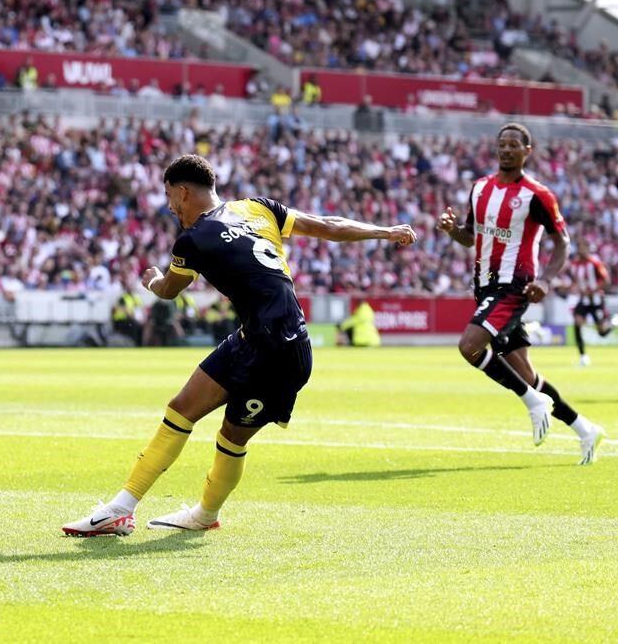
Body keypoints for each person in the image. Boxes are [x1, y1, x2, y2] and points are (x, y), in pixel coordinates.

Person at [63, 154, 416, 536]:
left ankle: (203, 514)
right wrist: (383, 231)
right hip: (253, 338)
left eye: (169, 196)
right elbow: (327, 225)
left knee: (231, 436)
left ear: (183, 193)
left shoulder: (192, 240)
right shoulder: (257, 208)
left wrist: (150, 280)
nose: (168, 206)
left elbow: (169, 290)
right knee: (181, 409)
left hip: (280, 351)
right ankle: (121, 509)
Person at [437, 123, 604, 464]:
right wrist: (453, 230)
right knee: (526, 373)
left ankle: (532, 400)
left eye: (514, 144)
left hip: (514, 286)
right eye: (502, 144)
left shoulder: (536, 194)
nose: (507, 149)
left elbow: (562, 241)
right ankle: (585, 428)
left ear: (528, 150)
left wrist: (545, 280)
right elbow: (471, 235)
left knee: (469, 346)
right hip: (484, 286)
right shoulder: (480, 188)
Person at [568, 239, 614, 367]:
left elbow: (606, 280)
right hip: (583, 301)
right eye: (578, 247)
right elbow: (576, 282)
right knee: (577, 324)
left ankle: (611, 324)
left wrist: (592, 290)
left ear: (588, 248)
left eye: (582, 247)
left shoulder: (595, 262)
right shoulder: (574, 264)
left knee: (602, 333)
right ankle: (583, 356)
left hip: (596, 301)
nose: (579, 250)